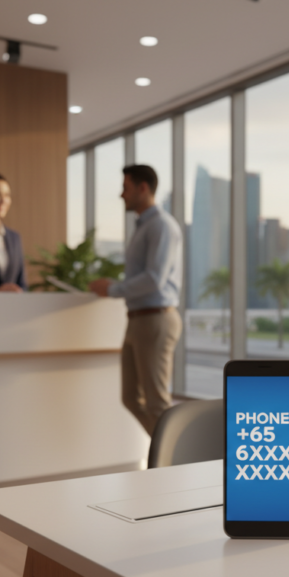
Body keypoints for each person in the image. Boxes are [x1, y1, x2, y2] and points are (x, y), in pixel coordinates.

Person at [89, 165, 183, 436]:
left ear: (143, 188)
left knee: (157, 404)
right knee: (130, 398)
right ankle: (167, 453)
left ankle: (173, 463)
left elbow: (155, 278)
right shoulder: (144, 226)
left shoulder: (161, 226)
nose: (121, 195)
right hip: (138, 319)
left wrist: (114, 289)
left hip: (155, 319)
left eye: (125, 188)